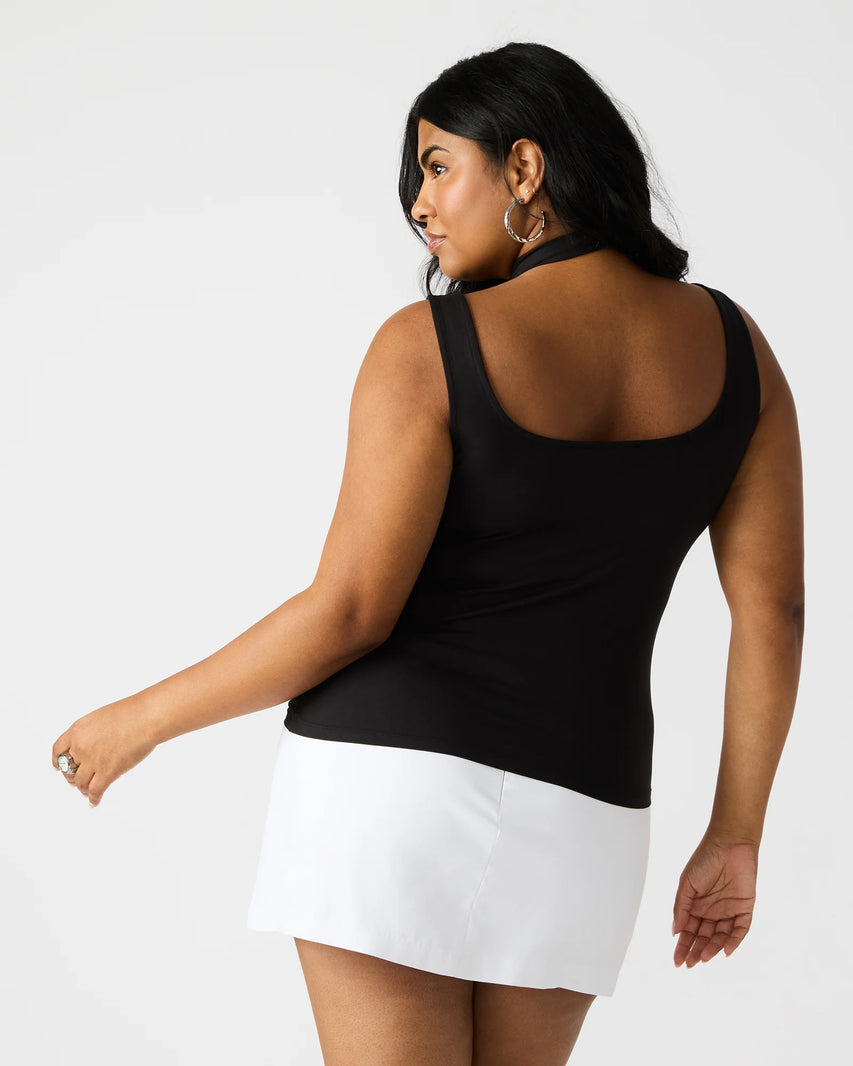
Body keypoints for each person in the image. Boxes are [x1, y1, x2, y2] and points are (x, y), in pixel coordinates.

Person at [51, 41, 804, 1066]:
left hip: (387, 795)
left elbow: (350, 609)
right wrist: (734, 832)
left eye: (439, 166)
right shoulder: (740, 353)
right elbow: (774, 613)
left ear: (525, 168)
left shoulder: (428, 345)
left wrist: (138, 721)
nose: (418, 203)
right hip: (586, 816)